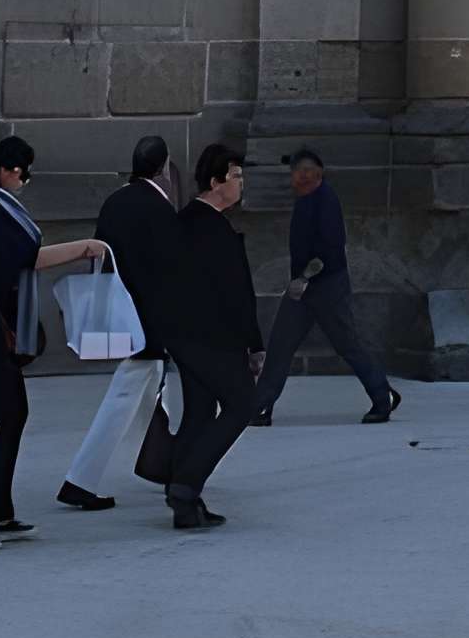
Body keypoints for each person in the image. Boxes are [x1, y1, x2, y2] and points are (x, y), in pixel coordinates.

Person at [0, 134, 110, 551]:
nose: (24, 177)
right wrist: (86, 247)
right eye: (19, 169)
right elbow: (28, 257)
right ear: (2, 170)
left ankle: (2, 514)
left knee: (12, 414)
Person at [56, 135, 185, 512]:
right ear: (163, 168)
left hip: (126, 315)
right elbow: (172, 271)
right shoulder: (160, 208)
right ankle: (80, 479)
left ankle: (169, 467)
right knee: (128, 396)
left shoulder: (115, 201)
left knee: (149, 397)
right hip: (150, 321)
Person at [249, 148, 401, 428]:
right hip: (304, 289)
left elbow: (329, 249)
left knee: (348, 344)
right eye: (294, 171)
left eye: (298, 171)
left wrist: (304, 278)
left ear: (313, 174)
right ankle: (261, 406)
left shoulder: (325, 200)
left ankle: (383, 397)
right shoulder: (306, 200)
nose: (294, 177)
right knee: (281, 344)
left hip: (326, 287)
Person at [157, 144, 262, 530]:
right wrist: (253, 345)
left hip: (185, 335)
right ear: (216, 182)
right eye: (236, 177)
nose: (240, 184)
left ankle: (184, 500)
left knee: (200, 413)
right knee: (242, 405)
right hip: (213, 336)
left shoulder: (186, 221)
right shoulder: (213, 227)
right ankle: (185, 485)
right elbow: (236, 292)